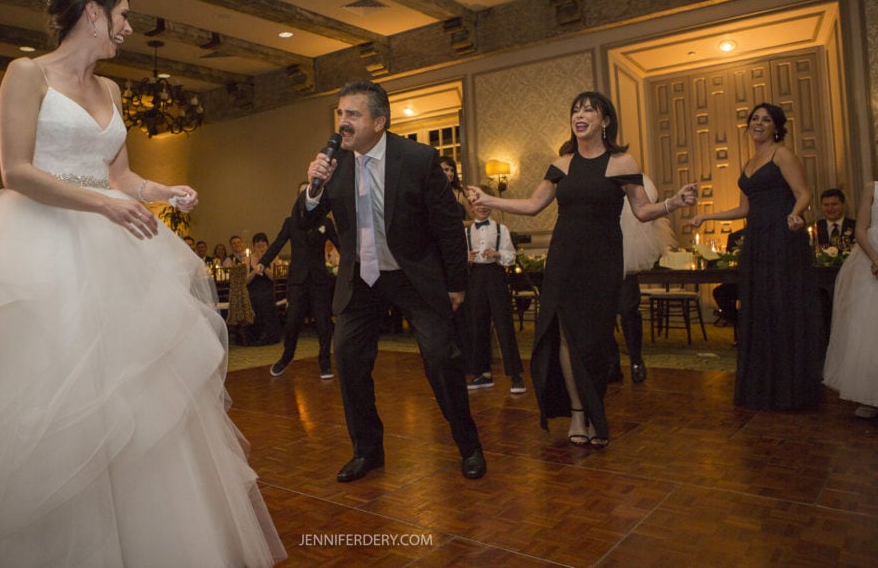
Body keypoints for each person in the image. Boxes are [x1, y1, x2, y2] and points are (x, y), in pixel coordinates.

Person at [0, 0, 285, 566]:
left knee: (127, 394)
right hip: (36, 242)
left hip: (110, 248)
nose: (129, 28)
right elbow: (17, 171)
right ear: (92, 12)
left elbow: (122, 177)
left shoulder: (110, 90)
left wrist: (166, 190)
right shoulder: (27, 73)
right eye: (123, 15)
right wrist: (103, 203)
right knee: (39, 390)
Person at [469, 92, 697, 449]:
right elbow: (532, 205)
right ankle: (577, 411)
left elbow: (642, 210)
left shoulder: (622, 163)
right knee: (562, 334)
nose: (580, 115)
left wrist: (673, 202)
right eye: (575, 110)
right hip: (564, 258)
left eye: (589, 109)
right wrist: (489, 200)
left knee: (595, 338)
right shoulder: (562, 164)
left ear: (605, 120)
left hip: (603, 260)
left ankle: (595, 408)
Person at [297, 80, 486, 482]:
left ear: (379, 121)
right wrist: (313, 190)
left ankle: (469, 445)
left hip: (413, 276)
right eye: (340, 113)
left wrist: (456, 284)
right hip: (360, 278)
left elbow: (450, 227)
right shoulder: (334, 163)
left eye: (353, 114)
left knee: (440, 358)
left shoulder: (417, 159)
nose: (342, 124)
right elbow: (306, 221)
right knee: (346, 358)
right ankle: (368, 451)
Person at [689, 102, 822, 411]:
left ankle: (789, 389)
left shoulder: (781, 154)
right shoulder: (749, 163)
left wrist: (795, 214)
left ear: (777, 127)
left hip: (782, 237)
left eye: (766, 119)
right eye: (754, 119)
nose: (759, 123)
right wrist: (706, 217)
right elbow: (744, 210)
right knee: (760, 308)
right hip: (757, 240)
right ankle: (763, 386)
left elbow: (804, 192)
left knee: (780, 306)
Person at [261, 181, 339, 379]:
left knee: (323, 322)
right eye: (303, 194)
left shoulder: (325, 222)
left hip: (319, 280)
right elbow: (278, 243)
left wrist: (355, 260)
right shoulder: (290, 222)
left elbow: (341, 245)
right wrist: (263, 262)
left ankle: (324, 362)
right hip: (297, 281)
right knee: (293, 321)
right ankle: (286, 357)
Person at [823, 180, 878, 419]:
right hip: (871, 257)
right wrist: (876, 259)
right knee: (868, 330)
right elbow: (861, 230)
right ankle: (870, 394)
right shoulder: (871, 188)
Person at [614, 175, 676, 383]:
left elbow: (644, 207)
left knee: (628, 308)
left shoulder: (629, 174)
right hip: (595, 248)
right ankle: (611, 363)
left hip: (625, 249)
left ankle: (636, 360)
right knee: (600, 313)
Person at [463, 191, 525, 394]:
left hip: (495, 276)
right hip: (475, 278)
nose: (481, 208)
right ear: (472, 208)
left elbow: (511, 256)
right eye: (477, 205)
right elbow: (457, 259)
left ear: (490, 206)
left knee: (504, 325)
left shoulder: (501, 229)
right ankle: (483, 374)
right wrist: (467, 259)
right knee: (476, 325)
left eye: (485, 205)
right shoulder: (465, 231)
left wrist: (498, 254)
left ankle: (516, 376)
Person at [244, 232, 283, 346]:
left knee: (265, 299)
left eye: (263, 242)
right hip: (253, 287)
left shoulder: (274, 257)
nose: (260, 245)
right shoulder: (247, 259)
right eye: (257, 243)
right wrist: (254, 271)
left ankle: (268, 335)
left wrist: (263, 263)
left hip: (268, 287)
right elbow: (245, 281)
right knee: (254, 299)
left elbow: (273, 277)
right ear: (253, 245)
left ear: (267, 245)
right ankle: (254, 336)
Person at [439, 155, 474, 225]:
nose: (450, 173)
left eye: (452, 170)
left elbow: (475, 220)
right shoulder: (430, 193)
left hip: (458, 234)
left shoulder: (461, 193)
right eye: (446, 170)